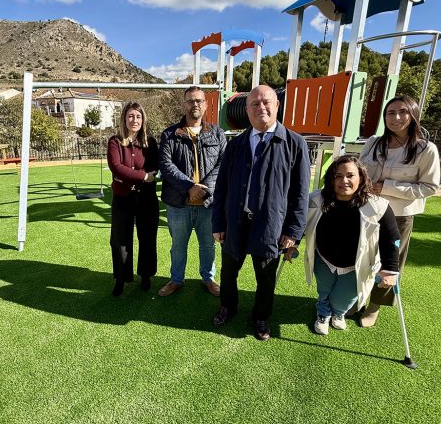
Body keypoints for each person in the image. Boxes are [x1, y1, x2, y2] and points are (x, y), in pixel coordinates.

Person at [211, 85, 310, 341]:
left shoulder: (295, 144)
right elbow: (221, 187)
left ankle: (261, 317)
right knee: (228, 272)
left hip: (270, 225)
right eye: (254, 104)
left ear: (277, 105)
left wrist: (293, 231)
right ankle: (227, 306)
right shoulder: (236, 145)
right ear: (246, 110)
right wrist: (218, 222)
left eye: (266, 102)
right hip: (235, 222)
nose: (261, 107)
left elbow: (301, 194)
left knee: (266, 279)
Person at [357, 95, 440, 326]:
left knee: (389, 262)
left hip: (399, 216)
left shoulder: (425, 149)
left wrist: (387, 187)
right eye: (390, 113)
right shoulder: (374, 142)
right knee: (362, 256)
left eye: (403, 112)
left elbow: (430, 187)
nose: (396, 117)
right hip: (369, 211)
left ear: (413, 115)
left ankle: (374, 307)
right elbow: (360, 171)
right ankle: (356, 299)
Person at [303, 156, 401, 335]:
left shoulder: (378, 206)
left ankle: (338, 313)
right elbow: (300, 223)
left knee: (344, 300)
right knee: (324, 289)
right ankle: (323, 312)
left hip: (356, 265)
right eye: (338, 176)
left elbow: (391, 238)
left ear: (361, 178)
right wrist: (292, 243)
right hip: (323, 258)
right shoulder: (316, 199)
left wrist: (390, 270)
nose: (344, 181)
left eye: (350, 175)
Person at [157, 86, 227, 297]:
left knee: (208, 246)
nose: (194, 104)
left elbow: (224, 164)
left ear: (205, 105)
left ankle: (208, 278)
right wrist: (189, 187)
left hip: (208, 204)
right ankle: (176, 279)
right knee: (178, 246)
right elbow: (165, 164)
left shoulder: (217, 133)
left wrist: (203, 190)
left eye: (198, 100)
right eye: (190, 101)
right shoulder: (170, 134)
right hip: (179, 205)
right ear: (183, 104)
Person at [106, 101, 160, 296]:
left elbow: (155, 167)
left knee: (147, 238)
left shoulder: (150, 143)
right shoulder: (115, 141)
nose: (134, 120)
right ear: (124, 119)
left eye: (138, 116)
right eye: (130, 116)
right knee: (120, 240)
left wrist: (128, 176)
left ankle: (146, 275)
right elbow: (116, 167)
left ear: (143, 119)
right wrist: (143, 176)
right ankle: (121, 278)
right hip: (123, 199)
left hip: (146, 199)